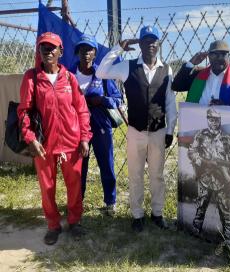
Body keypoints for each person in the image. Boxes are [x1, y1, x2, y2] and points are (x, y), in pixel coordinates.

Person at [96, 25, 177, 232]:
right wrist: (118, 48)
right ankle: (137, 215)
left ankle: (157, 213)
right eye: (146, 40)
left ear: (158, 45)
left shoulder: (166, 69)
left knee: (157, 175)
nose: (150, 44)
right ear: (139, 44)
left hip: (158, 131)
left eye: (154, 41)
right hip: (135, 132)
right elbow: (101, 71)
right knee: (135, 174)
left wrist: (170, 132)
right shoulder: (127, 67)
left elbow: (169, 102)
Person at [17, 32, 92, 245]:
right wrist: (30, 138)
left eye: (52, 48)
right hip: (44, 144)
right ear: (38, 51)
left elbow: (82, 110)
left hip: (71, 143)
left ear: (61, 51)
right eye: (43, 48)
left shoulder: (70, 78)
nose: (48, 52)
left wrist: (84, 138)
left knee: (74, 184)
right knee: (47, 187)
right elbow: (23, 111)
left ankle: (75, 221)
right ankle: (53, 225)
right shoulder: (31, 77)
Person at [70, 34, 122, 215]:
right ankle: (77, 201)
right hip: (76, 127)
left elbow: (117, 100)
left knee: (106, 162)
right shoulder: (69, 75)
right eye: (82, 49)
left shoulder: (103, 74)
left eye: (90, 50)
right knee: (79, 166)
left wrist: (101, 100)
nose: (86, 53)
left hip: (100, 125)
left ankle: (110, 201)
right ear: (77, 52)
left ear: (95, 53)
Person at [188, 108, 230, 255]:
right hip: (205, 178)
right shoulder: (200, 135)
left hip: (221, 181)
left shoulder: (227, 139)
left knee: (225, 210)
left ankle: (228, 240)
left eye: (216, 120)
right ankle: (195, 231)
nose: (214, 122)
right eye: (211, 119)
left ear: (220, 121)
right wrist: (201, 162)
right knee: (201, 206)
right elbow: (191, 151)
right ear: (207, 119)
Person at [172, 40, 230, 106]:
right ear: (208, 56)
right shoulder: (198, 75)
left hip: (228, 121)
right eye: (214, 54)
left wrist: (226, 108)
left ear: (229, 56)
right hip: (197, 120)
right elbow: (176, 86)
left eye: (223, 54)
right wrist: (191, 63)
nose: (219, 58)